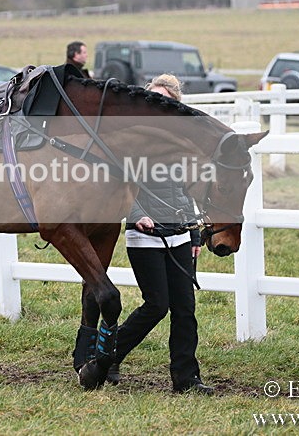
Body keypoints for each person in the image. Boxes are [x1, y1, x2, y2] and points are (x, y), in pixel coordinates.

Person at [107, 73, 212, 394]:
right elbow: (118, 180)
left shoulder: (182, 143)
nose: (155, 103)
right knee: (156, 305)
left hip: (180, 233)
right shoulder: (130, 138)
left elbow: (190, 191)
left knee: (185, 309)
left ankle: (186, 378)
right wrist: (137, 214)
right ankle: (108, 357)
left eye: (162, 98)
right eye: (151, 97)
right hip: (145, 235)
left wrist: (194, 237)